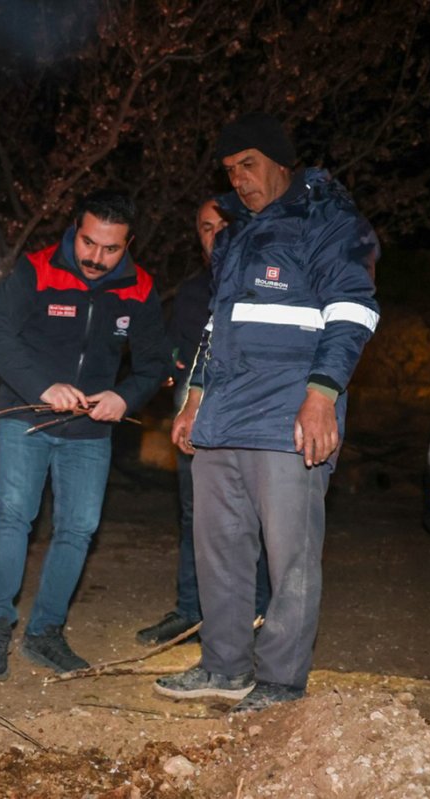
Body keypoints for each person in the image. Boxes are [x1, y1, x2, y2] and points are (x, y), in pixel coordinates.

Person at [155, 113, 379, 712]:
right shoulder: (234, 234)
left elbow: (354, 310)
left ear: (281, 161)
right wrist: (194, 397)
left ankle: (280, 682)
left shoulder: (329, 222)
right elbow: (215, 324)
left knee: (291, 559)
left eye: (249, 165)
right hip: (223, 417)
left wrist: (322, 395)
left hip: (288, 418)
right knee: (219, 551)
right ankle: (223, 666)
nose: (241, 180)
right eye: (230, 170)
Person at [0, 189, 169, 679]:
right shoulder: (37, 269)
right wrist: (42, 385)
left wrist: (125, 396)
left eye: (111, 249)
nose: (96, 258)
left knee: (78, 528)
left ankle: (45, 633)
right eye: (89, 243)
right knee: (15, 514)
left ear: (129, 244)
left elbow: (153, 363)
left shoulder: (140, 288)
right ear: (74, 230)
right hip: (27, 415)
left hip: (91, 430)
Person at [135, 200, 271, 646]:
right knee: (196, 513)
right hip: (196, 406)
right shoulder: (196, 290)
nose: (215, 236)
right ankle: (191, 612)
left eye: (224, 226)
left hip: (252, 409)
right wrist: (168, 365)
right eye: (206, 228)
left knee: (257, 514)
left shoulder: (269, 279)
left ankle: (258, 614)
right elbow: (178, 348)